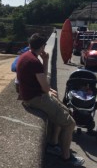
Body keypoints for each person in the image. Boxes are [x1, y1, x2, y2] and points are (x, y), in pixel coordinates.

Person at [16, 33, 85, 166]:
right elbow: (46, 87)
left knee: (66, 112)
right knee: (70, 124)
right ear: (42, 46)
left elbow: (41, 81)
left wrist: (46, 61)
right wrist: (48, 90)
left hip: (31, 95)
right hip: (36, 98)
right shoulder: (34, 61)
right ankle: (66, 158)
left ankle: (53, 144)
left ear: (30, 45)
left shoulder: (26, 56)